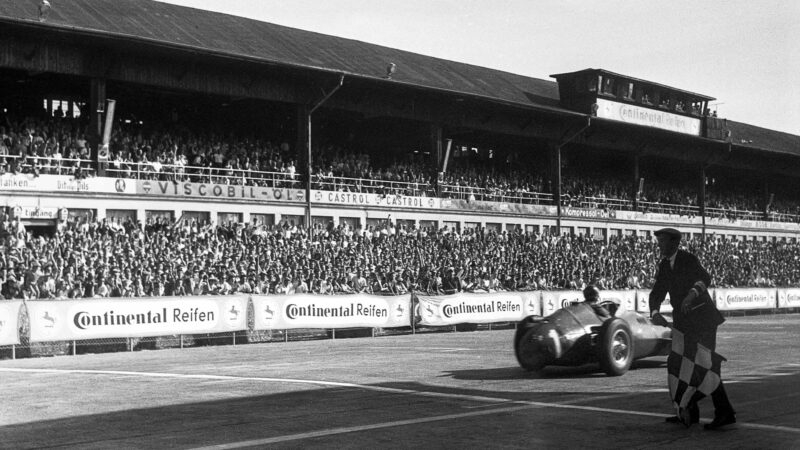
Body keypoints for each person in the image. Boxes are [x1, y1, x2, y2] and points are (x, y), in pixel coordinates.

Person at [649, 227, 735, 430]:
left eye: (662, 241)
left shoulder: (688, 259)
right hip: (685, 324)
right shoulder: (664, 265)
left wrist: (691, 294)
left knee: (705, 365)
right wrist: (654, 313)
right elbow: (657, 293)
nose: (659, 245)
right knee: (681, 363)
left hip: (703, 320)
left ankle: (725, 412)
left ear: (674, 243)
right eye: (659, 241)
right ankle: (688, 411)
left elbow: (705, 278)